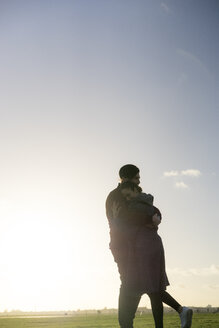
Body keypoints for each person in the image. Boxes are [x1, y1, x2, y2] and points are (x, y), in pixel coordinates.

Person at [106, 164, 193, 328]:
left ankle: (179, 311)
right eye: (137, 177)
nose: (139, 181)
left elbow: (151, 210)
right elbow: (126, 218)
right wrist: (151, 218)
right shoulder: (117, 196)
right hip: (127, 253)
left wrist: (156, 215)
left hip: (138, 250)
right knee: (147, 290)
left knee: (149, 290)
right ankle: (180, 310)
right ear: (126, 178)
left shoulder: (136, 194)